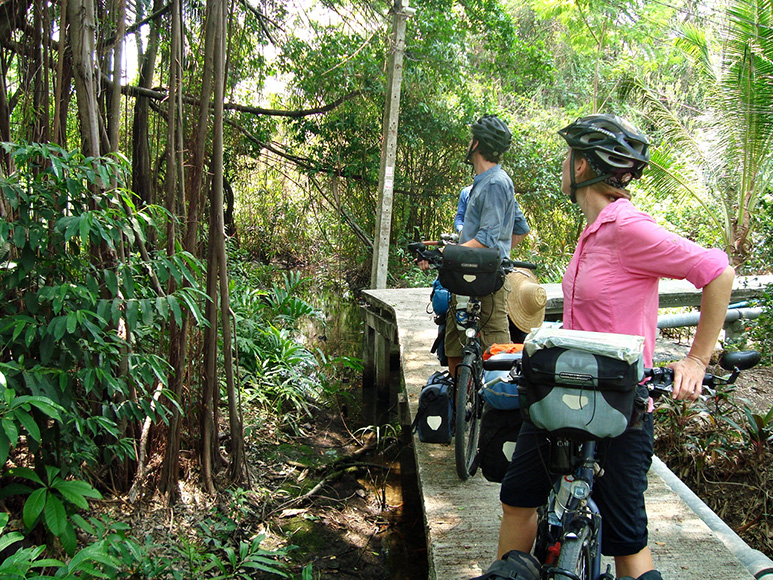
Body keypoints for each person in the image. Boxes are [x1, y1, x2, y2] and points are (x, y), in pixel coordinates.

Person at [494, 114, 735, 580]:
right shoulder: (593, 229)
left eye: (568, 157)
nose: (564, 165)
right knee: (516, 500)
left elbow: (717, 271)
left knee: (627, 541)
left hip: (621, 401)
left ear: (582, 167)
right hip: (562, 389)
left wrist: (697, 359)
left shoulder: (628, 228)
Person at [420, 114, 518, 380]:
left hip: (487, 281)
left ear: (477, 144)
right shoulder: (482, 183)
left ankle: (491, 412)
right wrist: (445, 252)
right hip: (463, 278)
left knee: (496, 349)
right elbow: (517, 229)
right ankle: (458, 405)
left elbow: (486, 239)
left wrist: (446, 254)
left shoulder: (497, 183)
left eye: (471, 139)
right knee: (453, 344)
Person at [455, 184, 531, 251]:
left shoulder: (500, 189)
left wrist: (499, 251)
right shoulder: (466, 192)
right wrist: (461, 230)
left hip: (489, 258)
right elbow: (459, 217)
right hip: (467, 250)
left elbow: (523, 229)